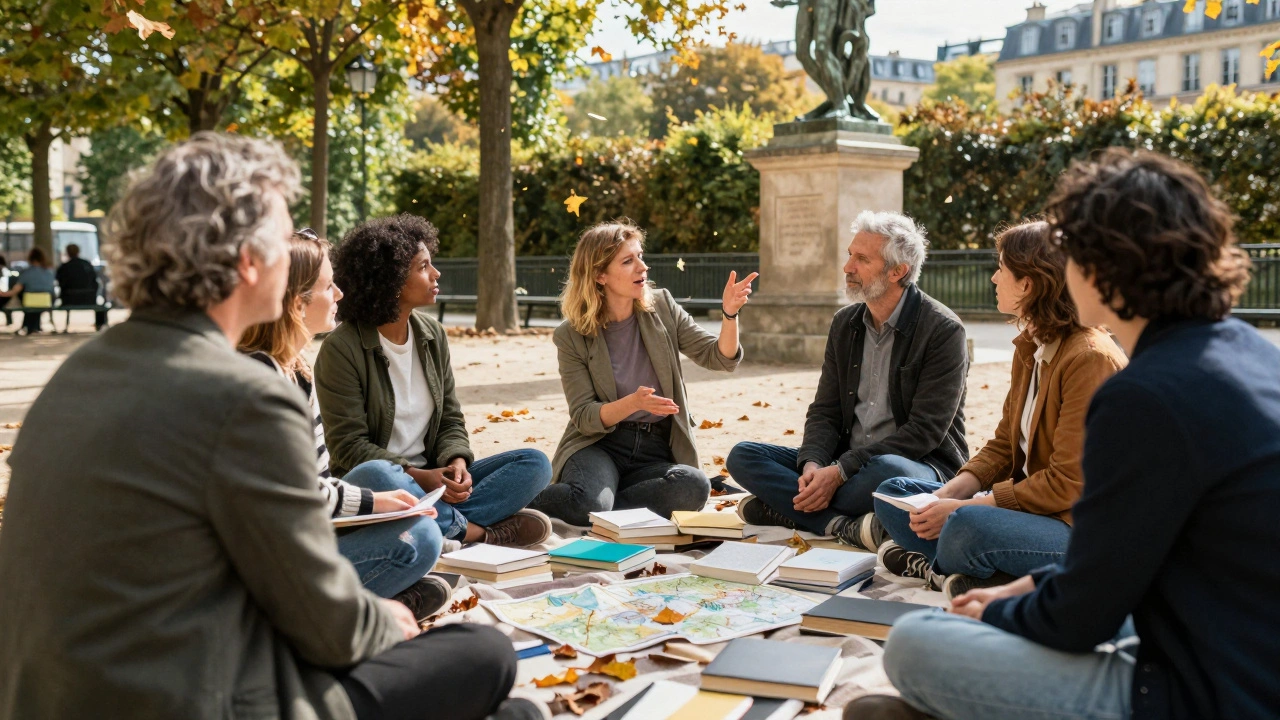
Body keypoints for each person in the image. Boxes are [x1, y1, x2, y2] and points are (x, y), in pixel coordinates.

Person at [0, 133, 535, 720]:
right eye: (286, 240)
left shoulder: (80, 373)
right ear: (250, 262)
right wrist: (378, 618)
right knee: (487, 659)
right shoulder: (243, 395)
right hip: (196, 694)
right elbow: (316, 612)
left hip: (56, 691)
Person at [863, 150, 1280, 720]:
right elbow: (1138, 554)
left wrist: (997, 614)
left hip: (1206, 689)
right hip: (1232, 640)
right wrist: (1028, 587)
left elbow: (1081, 618)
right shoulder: (1253, 354)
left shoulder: (1142, 392)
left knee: (915, 644)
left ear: (1104, 266)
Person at [871, 221, 1126, 599]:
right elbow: (1005, 444)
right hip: (1030, 511)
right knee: (894, 493)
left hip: (1077, 528)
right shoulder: (1031, 346)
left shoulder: (1089, 358)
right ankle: (958, 570)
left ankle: (955, 568)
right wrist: (953, 492)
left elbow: (1069, 483)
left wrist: (974, 506)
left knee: (967, 526)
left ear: (1029, 283)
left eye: (1002, 269)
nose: (993, 278)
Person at [239, 227, 451, 619]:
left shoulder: (295, 369)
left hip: (299, 538)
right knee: (417, 536)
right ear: (295, 303)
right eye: (328, 287)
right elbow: (296, 497)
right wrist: (377, 502)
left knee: (417, 527)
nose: (339, 294)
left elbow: (312, 484)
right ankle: (338, 612)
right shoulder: (260, 379)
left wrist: (385, 504)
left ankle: (366, 604)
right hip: (264, 567)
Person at [726, 211, 969, 550]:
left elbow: (924, 433)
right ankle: (840, 524)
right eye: (850, 255)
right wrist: (813, 463)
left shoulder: (943, 330)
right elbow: (825, 409)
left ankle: (788, 509)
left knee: (884, 473)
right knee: (743, 456)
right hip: (845, 462)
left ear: (898, 271)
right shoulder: (845, 323)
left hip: (915, 466)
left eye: (861, 259)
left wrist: (838, 472)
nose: (847, 267)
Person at [315, 214, 553, 549]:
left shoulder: (432, 335)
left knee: (534, 464)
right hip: (382, 483)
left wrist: (456, 464)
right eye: (423, 266)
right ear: (392, 279)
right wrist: (415, 476)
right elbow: (349, 446)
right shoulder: (341, 349)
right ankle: (476, 533)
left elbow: (451, 418)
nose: (436, 273)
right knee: (379, 475)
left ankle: (436, 525)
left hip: (432, 479)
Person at [527, 221, 755, 526]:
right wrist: (632, 403)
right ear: (599, 275)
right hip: (600, 444)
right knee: (588, 503)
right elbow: (584, 415)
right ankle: (537, 500)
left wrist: (730, 314)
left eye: (640, 256)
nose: (642, 267)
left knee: (694, 487)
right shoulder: (571, 336)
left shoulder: (662, 306)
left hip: (656, 449)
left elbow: (720, 358)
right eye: (628, 261)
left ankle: (604, 503)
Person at [0, 247, 55, 334]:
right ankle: (33, 327)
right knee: (36, 306)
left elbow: (15, 290)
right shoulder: (49, 272)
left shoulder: (27, 272)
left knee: (27, 299)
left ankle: (28, 327)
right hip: (46, 301)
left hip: (30, 301)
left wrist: (3, 294)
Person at [55, 243, 108, 330]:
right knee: (100, 306)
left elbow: (60, 283)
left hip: (69, 299)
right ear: (78, 252)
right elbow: (95, 282)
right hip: (88, 298)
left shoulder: (64, 267)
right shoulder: (87, 264)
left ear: (67, 252)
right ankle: (99, 325)